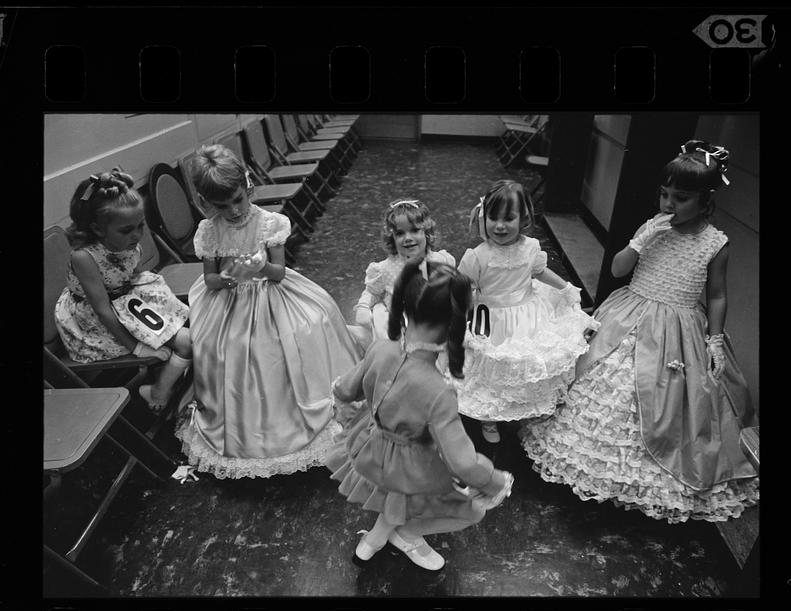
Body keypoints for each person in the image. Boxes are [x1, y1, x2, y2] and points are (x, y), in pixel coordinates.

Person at [520, 140, 759, 522]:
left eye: (680, 198)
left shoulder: (716, 243)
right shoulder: (652, 228)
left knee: (671, 401)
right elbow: (617, 270)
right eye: (664, 194)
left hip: (680, 330)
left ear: (705, 199)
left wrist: (714, 339)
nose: (667, 204)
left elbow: (716, 295)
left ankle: (649, 480)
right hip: (629, 313)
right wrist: (640, 240)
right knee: (600, 381)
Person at [175, 145, 361, 478]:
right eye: (222, 205)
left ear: (247, 189)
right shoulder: (210, 230)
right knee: (230, 348)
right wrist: (229, 279)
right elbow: (210, 279)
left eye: (237, 200)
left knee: (308, 326)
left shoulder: (269, 223)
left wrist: (260, 266)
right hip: (231, 300)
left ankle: (304, 409)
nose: (232, 211)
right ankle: (249, 427)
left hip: (272, 293)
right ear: (207, 204)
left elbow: (278, 272)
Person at [326, 260, 513, 571]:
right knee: (467, 509)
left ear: (407, 307)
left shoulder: (380, 349)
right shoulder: (438, 391)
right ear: (456, 327)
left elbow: (346, 390)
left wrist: (347, 404)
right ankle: (406, 534)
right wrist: (494, 481)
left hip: (370, 446)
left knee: (393, 497)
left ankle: (373, 541)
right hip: (412, 464)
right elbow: (462, 461)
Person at [454, 180, 598, 443]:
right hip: (491, 318)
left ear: (523, 219)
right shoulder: (476, 256)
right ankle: (490, 417)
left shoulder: (531, 247)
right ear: (483, 217)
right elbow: (464, 286)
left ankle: (521, 406)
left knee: (524, 364)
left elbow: (539, 272)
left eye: (508, 218)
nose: (499, 225)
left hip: (528, 315)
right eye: (493, 217)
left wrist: (565, 287)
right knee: (493, 367)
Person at [54, 168, 192, 412]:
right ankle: (159, 391)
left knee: (193, 332)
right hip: (95, 320)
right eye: (128, 230)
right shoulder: (84, 257)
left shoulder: (127, 243)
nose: (138, 235)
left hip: (126, 303)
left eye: (141, 225)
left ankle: (166, 382)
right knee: (188, 343)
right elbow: (102, 310)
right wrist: (136, 346)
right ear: (97, 229)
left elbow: (135, 279)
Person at [351, 198, 455, 349]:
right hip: (402, 331)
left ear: (426, 232)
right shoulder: (385, 269)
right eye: (400, 233)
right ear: (392, 238)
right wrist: (363, 306)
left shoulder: (441, 260)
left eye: (414, 230)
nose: (408, 238)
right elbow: (371, 292)